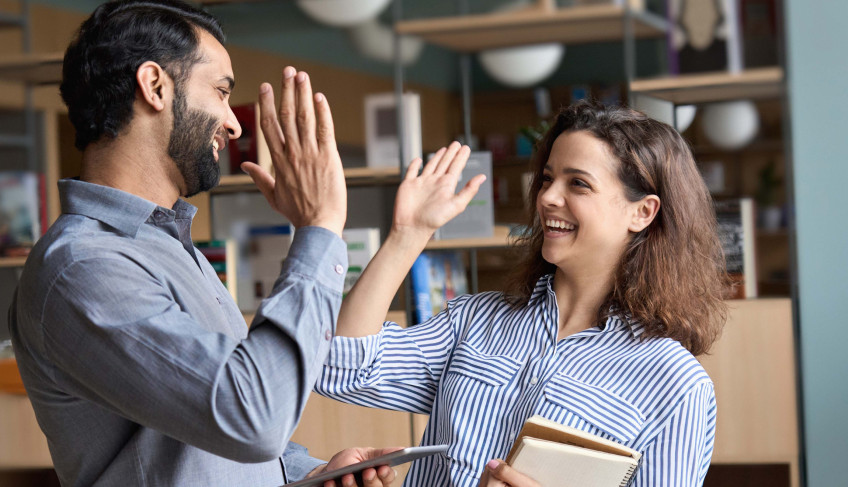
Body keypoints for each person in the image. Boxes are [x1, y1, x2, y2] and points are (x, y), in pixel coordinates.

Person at [8, 1, 420, 485]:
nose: (234, 123)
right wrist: (319, 227)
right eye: (221, 93)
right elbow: (252, 417)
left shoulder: (171, 249)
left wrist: (308, 474)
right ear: (154, 86)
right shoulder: (83, 268)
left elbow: (212, 425)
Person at [315, 101, 730, 487]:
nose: (547, 197)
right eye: (548, 178)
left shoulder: (676, 385)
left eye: (579, 184)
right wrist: (407, 236)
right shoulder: (475, 321)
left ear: (642, 212)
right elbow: (339, 367)